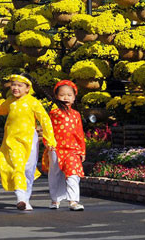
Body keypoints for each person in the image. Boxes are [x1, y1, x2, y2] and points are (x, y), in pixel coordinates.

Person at [0, 75, 56, 211]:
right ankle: (20, 198)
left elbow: (45, 120)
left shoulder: (33, 102)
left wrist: (50, 139)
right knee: (18, 167)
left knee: (28, 169)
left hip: (29, 141)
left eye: (19, 85)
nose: (15, 88)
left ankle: (25, 199)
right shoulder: (9, 102)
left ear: (28, 88)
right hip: (12, 141)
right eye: (13, 85)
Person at [47, 79, 86, 211]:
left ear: (74, 98)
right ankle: (55, 199)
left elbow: (80, 133)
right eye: (62, 95)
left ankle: (73, 201)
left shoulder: (76, 115)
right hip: (56, 148)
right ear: (56, 97)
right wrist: (48, 143)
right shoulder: (53, 114)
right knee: (55, 174)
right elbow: (48, 130)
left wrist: (82, 151)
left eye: (69, 95)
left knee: (73, 173)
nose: (66, 97)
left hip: (72, 150)